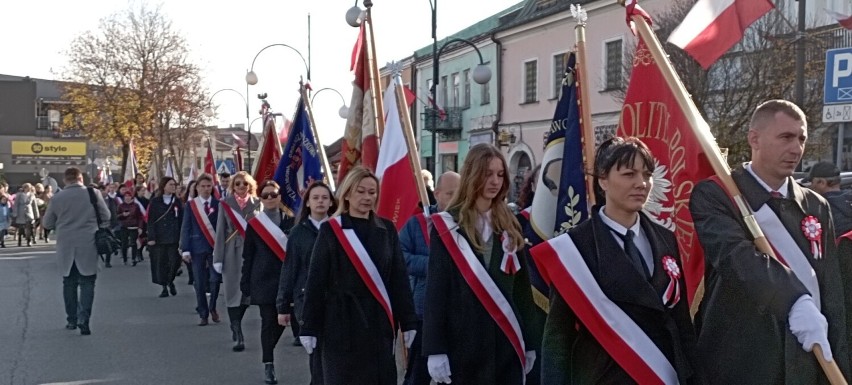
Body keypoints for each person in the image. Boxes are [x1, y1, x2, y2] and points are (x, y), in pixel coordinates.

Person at [690, 100, 850, 383]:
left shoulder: (816, 205)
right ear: (755, 139)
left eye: (801, 139)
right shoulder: (718, 195)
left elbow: (831, 290)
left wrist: (839, 362)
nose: (796, 149)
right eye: (785, 137)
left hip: (804, 362)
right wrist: (795, 299)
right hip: (744, 360)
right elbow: (736, 259)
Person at [540, 137, 700, 384]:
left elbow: (681, 324)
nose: (642, 183)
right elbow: (558, 339)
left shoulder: (666, 238)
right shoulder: (574, 247)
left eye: (647, 174)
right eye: (629, 174)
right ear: (603, 179)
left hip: (664, 374)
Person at [422, 143, 540, 385]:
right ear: (473, 175)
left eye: (499, 174)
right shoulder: (447, 226)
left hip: (506, 337)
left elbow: (521, 290)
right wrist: (435, 348)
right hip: (464, 341)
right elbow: (436, 291)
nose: (495, 181)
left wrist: (530, 341)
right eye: (487, 174)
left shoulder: (510, 224)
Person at [300, 166, 417, 385]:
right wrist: (309, 325)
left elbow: (398, 280)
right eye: (360, 191)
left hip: (378, 321)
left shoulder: (386, 229)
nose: (367, 197)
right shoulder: (331, 230)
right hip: (341, 322)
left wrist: (408, 321)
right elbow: (316, 280)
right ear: (347, 194)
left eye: (372, 192)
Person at [398, 171, 460, 385]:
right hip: (424, 310)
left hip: (458, 313)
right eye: (449, 194)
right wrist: (434, 266)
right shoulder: (417, 224)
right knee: (419, 373)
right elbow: (400, 257)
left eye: (459, 194)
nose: (454, 199)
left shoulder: (466, 222)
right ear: (437, 193)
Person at [278, 181, 337, 384]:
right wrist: (282, 306)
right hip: (307, 300)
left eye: (324, 198)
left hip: (337, 300)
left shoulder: (340, 229)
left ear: (331, 202)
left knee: (333, 355)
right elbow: (289, 270)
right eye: (316, 198)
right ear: (308, 203)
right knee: (316, 355)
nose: (320, 201)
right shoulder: (298, 233)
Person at [42, 167, 110, 336]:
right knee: (88, 283)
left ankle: (71, 319)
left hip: (66, 245)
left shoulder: (57, 198)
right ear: (81, 178)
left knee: (69, 283)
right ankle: (84, 319)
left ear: (65, 180)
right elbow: (106, 216)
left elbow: (47, 223)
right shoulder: (93, 194)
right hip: (88, 243)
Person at [241, 180, 296, 384]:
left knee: (283, 321)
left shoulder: (292, 221)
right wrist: (244, 281)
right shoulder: (255, 224)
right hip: (263, 279)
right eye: (266, 195)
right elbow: (249, 256)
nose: (271, 198)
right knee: (267, 321)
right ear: (260, 199)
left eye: (274, 194)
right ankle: (268, 364)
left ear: (280, 197)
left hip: (287, 279)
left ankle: (268, 350)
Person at [213, 171, 260, 352]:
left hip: (252, 252)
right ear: (233, 186)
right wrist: (218, 258)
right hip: (231, 252)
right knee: (233, 292)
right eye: (238, 183)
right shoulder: (225, 204)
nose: (241, 187)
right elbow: (220, 231)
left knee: (248, 292)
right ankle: (238, 333)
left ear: (250, 186)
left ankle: (236, 322)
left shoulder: (258, 203)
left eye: (245, 184)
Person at [180, 173, 221, 326]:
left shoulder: (219, 204)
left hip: (214, 247)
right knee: (199, 281)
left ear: (212, 187)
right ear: (197, 188)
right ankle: (203, 313)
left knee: (215, 279)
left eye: (208, 186)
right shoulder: (191, 205)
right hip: (197, 248)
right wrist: (185, 249)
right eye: (202, 186)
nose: (206, 189)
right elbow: (186, 228)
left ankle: (213, 307)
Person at [147, 177, 183, 298]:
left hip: (174, 238)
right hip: (159, 238)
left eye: (174, 184)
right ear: (164, 186)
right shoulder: (155, 202)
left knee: (174, 262)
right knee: (161, 263)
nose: (173, 186)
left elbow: (182, 220)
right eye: (171, 184)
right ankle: (164, 287)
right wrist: (151, 237)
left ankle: (170, 280)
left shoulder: (177, 201)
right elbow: (151, 220)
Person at [804, 161, 852, 235]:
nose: (810, 186)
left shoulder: (820, 208)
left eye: (811, 182)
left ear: (822, 183)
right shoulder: (848, 200)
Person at [117, 190, 144, 267]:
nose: (127, 198)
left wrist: (140, 227)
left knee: (133, 242)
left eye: (129, 196)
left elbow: (140, 217)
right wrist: (123, 215)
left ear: (131, 197)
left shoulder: (136, 206)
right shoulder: (121, 206)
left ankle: (133, 258)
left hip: (134, 226)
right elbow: (117, 217)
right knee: (124, 243)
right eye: (126, 196)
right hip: (124, 227)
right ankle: (125, 258)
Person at [12, 183, 39, 247]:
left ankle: (28, 241)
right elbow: (16, 204)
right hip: (21, 212)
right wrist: (15, 213)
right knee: (21, 228)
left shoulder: (32, 195)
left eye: (29, 187)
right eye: (26, 187)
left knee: (29, 227)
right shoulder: (19, 195)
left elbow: (34, 205)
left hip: (29, 212)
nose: (28, 189)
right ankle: (19, 240)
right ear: (24, 188)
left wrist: (36, 214)